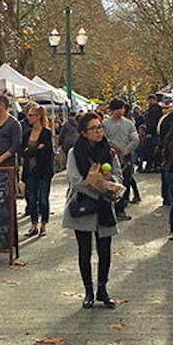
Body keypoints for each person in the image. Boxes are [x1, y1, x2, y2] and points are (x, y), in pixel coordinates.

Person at [62, 113, 123, 309]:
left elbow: (117, 175)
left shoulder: (109, 151)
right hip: (84, 206)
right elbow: (75, 180)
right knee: (85, 250)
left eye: (100, 127)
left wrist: (113, 187)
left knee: (105, 250)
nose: (98, 131)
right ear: (83, 132)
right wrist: (99, 190)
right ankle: (88, 290)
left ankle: (102, 289)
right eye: (94, 128)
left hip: (105, 206)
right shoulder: (75, 152)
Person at [103, 99, 138, 221]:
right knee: (112, 181)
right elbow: (103, 138)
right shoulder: (105, 124)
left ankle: (122, 207)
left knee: (126, 181)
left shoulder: (128, 124)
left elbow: (135, 139)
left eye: (121, 109)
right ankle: (112, 207)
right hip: (109, 156)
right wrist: (113, 144)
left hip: (126, 157)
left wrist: (126, 150)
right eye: (117, 109)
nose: (120, 111)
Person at [21, 104, 54, 237]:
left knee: (43, 198)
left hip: (43, 171)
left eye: (31, 115)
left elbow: (46, 152)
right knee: (32, 198)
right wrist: (35, 150)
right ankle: (33, 224)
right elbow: (23, 152)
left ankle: (44, 224)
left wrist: (32, 151)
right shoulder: (27, 133)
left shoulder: (46, 133)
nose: (28, 118)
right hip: (30, 170)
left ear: (38, 116)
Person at [142, 94, 163, 172]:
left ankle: (150, 166)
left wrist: (149, 132)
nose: (149, 102)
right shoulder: (156, 109)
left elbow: (152, 122)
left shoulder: (154, 109)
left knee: (151, 149)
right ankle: (154, 165)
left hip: (152, 133)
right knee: (153, 150)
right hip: (155, 133)